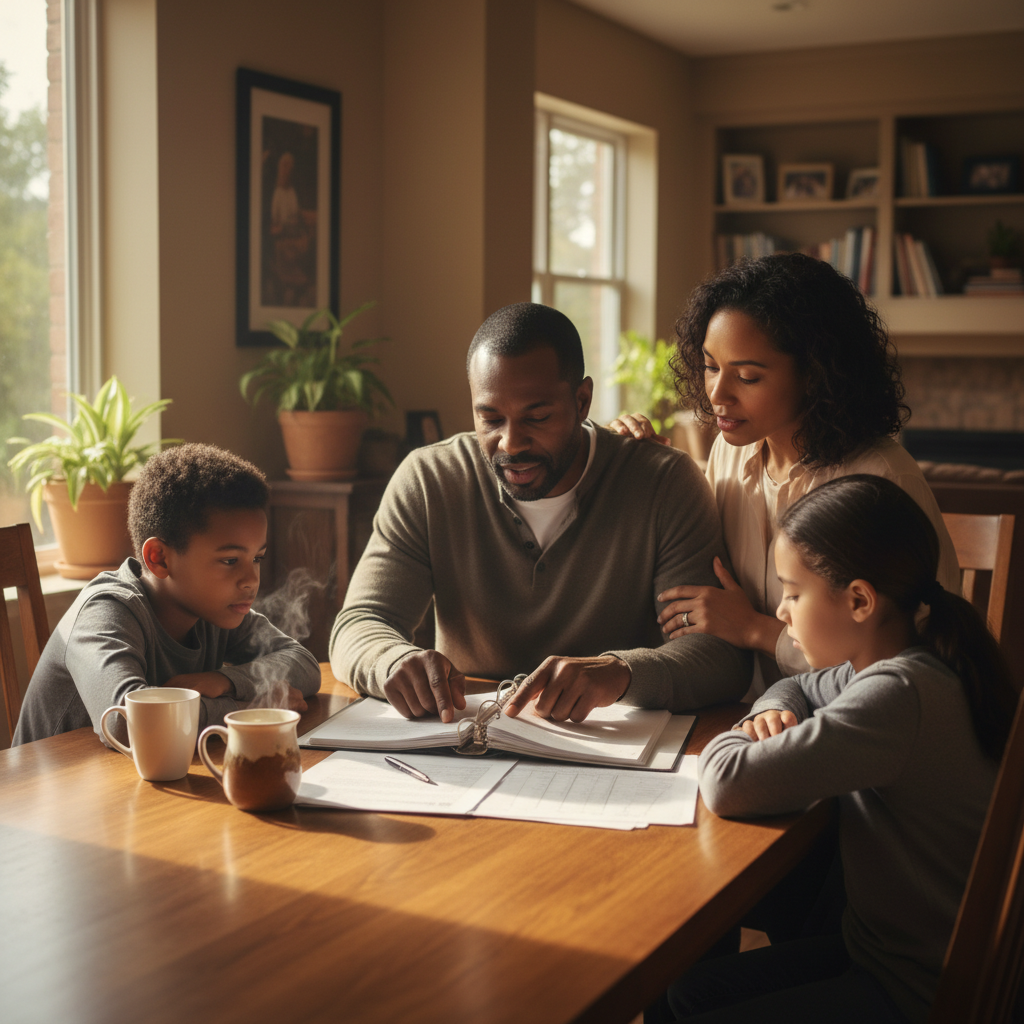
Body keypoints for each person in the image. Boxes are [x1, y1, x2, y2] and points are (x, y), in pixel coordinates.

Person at [647, 475, 1016, 1024]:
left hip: (917, 991)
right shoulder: (890, 661)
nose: (782, 613)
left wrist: (737, 733)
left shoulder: (897, 696)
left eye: (793, 593)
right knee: (686, 992)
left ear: (860, 600)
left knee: (687, 1002)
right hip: (881, 954)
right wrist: (766, 712)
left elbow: (726, 781)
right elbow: (795, 687)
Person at [331, 302, 751, 724]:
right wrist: (390, 660)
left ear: (582, 400)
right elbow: (361, 622)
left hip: (607, 748)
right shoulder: (430, 479)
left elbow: (719, 658)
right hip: (464, 742)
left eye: (538, 416)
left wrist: (621, 672)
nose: (511, 444)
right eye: (490, 418)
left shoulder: (663, 484)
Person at [612, 253, 959, 699]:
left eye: (749, 376)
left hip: (852, 725)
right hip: (744, 717)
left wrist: (758, 631)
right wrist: (636, 464)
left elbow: (921, 661)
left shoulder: (881, 478)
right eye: (711, 365)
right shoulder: (730, 453)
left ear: (814, 375)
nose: (717, 393)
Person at [13, 443, 321, 747]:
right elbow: (128, 722)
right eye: (230, 561)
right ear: (159, 558)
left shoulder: (215, 610)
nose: (251, 580)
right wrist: (250, 711)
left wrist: (224, 681)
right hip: (46, 791)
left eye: (257, 558)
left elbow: (304, 665)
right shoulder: (104, 613)